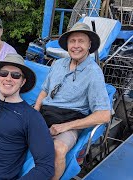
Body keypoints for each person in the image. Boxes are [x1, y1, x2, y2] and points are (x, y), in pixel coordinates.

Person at [33, 22, 111, 180]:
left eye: (81, 41)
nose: (76, 46)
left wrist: (64, 126)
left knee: (58, 148)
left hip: (70, 119)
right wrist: (35, 109)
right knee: (8, 129)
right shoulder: (58, 64)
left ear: (89, 45)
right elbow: (45, 90)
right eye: (72, 41)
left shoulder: (93, 73)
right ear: (67, 44)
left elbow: (104, 115)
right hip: (45, 113)